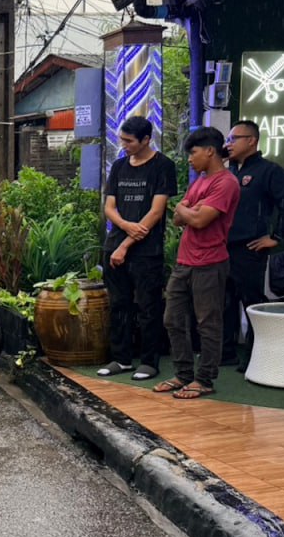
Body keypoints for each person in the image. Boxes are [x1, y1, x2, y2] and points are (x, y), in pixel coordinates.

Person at [153, 127, 241, 399]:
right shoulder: (199, 181)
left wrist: (186, 210)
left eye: (193, 152)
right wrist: (188, 210)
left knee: (207, 323)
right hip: (185, 260)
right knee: (172, 319)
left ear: (210, 151)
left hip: (210, 262)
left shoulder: (226, 183)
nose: (190, 159)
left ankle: (204, 379)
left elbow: (200, 220)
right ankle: (183, 374)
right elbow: (179, 216)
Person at [97, 116, 178, 381]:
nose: (124, 145)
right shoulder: (119, 166)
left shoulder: (162, 166)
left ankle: (149, 361)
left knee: (148, 306)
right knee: (119, 305)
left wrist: (128, 240)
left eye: (129, 141)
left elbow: (156, 212)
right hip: (116, 245)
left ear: (146, 140)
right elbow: (109, 207)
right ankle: (121, 358)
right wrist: (125, 226)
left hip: (146, 251)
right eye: (122, 139)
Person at [222, 121, 284, 370]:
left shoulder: (269, 171)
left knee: (250, 301)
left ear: (252, 140)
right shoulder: (227, 171)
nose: (228, 144)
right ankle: (225, 352)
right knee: (224, 301)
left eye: (234, 139)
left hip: (250, 247)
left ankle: (255, 354)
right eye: (228, 139)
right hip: (223, 246)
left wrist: (275, 237)